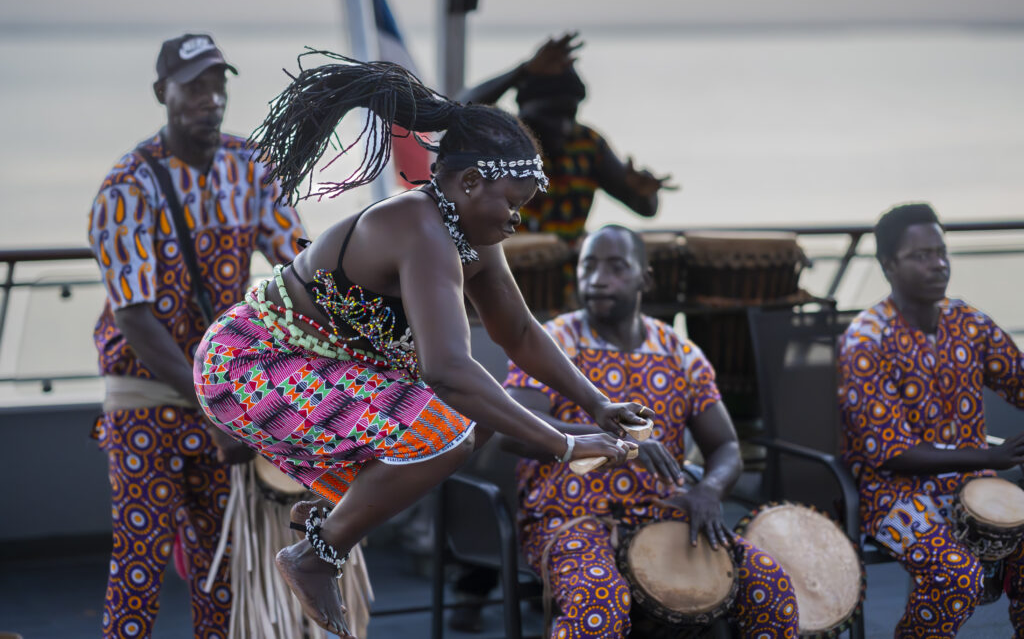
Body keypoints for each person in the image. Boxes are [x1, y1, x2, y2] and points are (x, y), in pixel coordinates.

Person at [192, 51, 648, 638]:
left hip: (315, 367)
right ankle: (317, 551)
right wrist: (560, 444)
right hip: (250, 365)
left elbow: (521, 333)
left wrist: (597, 404)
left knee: (470, 423)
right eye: (511, 203)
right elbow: (449, 372)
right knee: (450, 425)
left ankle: (328, 517)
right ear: (468, 181)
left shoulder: (465, 235)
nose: (516, 220)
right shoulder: (421, 230)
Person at [87, 33, 307, 638]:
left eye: (218, 85)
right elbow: (134, 317)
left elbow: (299, 264)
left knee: (223, 564)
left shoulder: (252, 165)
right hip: (147, 401)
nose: (210, 99)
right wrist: (216, 406)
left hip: (219, 399)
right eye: (194, 87)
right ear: (163, 93)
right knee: (141, 560)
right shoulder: (128, 186)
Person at [501, 224, 801, 639]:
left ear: (646, 279)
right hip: (568, 518)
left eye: (616, 267)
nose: (597, 278)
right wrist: (620, 445)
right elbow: (512, 429)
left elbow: (726, 445)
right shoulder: (552, 341)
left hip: (665, 514)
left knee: (771, 587)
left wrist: (709, 491)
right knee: (598, 601)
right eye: (588, 266)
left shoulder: (681, 352)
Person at [838, 203, 1024, 638]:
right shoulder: (867, 340)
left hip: (973, 483)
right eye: (921, 256)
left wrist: (988, 460)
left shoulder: (969, 322)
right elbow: (892, 453)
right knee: (957, 576)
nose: (938, 264)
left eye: (941, 252)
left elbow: (1019, 381)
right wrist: (993, 455)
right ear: (888, 266)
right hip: (891, 495)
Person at [458, 32, 674, 243]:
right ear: (524, 111)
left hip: (567, 276)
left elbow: (646, 209)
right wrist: (522, 72)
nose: (562, 125)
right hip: (503, 273)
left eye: (570, 114)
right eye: (551, 115)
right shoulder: (502, 139)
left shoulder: (587, 145)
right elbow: (458, 111)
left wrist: (644, 192)